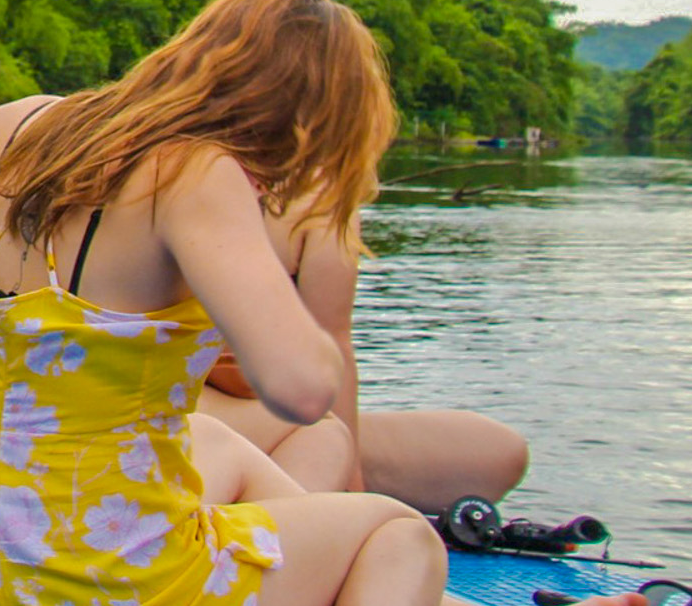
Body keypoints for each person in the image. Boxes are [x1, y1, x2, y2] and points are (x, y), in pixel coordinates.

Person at [0, 0, 638, 606]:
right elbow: (303, 386)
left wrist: (14, 286)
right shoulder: (199, 173)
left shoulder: (13, 126)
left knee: (224, 446)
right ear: (304, 120)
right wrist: (317, 243)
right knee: (394, 528)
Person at [196, 204, 532, 512]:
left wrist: (351, 483)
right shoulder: (191, 169)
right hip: (184, 408)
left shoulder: (324, 190)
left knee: (497, 453)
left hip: (265, 420)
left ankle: (291, 488)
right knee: (318, 438)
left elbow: (331, 342)